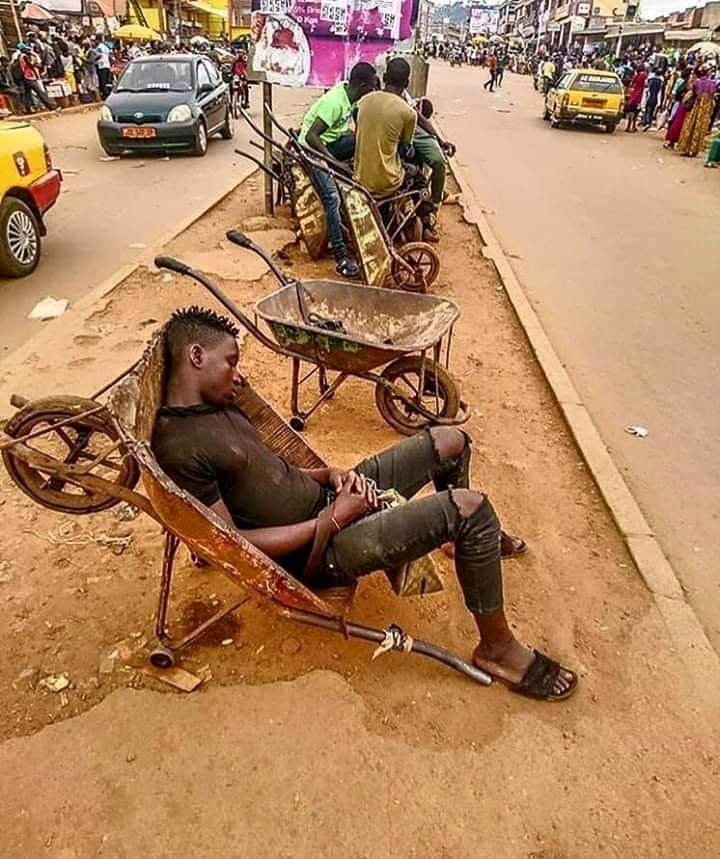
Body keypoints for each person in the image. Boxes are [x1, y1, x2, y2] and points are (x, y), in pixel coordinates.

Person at [151, 307, 578, 702]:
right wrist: (333, 519)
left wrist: (331, 475)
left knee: (451, 441)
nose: (237, 374)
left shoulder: (219, 407)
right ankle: (497, 648)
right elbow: (234, 543)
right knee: (471, 509)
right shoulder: (180, 448)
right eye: (231, 361)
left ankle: (462, 545)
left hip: (335, 501)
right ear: (195, 356)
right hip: (323, 550)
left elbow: (275, 471)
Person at [299, 61, 378, 278]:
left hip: (330, 141)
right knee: (332, 198)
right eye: (371, 87)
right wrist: (333, 162)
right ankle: (341, 258)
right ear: (362, 86)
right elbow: (311, 136)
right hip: (312, 150)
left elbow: (355, 120)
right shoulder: (334, 102)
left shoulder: (351, 97)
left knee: (360, 140)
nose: (372, 90)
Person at [354, 57, 416, 197]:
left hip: (360, 178)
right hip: (388, 183)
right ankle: (425, 216)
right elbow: (405, 148)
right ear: (406, 83)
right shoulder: (408, 113)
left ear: (384, 77)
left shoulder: (363, 101)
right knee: (415, 174)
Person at [405, 95, 454, 243]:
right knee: (418, 179)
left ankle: (426, 217)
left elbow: (419, 118)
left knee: (417, 176)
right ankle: (428, 217)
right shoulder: (403, 111)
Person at [677, 67, 718, 157]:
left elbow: (694, 93)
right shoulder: (712, 83)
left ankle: (688, 149)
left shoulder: (697, 82)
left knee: (691, 126)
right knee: (701, 128)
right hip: (705, 110)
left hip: (697, 107)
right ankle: (695, 150)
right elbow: (712, 95)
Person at [17, 44, 54, 112]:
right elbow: (31, 65)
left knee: (27, 94)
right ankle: (51, 106)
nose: (28, 50)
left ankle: (28, 109)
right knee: (39, 92)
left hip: (26, 77)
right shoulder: (24, 56)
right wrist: (34, 61)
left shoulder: (20, 57)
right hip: (29, 77)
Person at [664, 69, 694, 150]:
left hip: (683, 105)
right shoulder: (688, 85)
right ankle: (671, 141)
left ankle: (672, 141)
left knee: (676, 122)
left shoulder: (688, 84)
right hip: (684, 105)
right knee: (677, 123)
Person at [624, 62, 647, 132]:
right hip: (640, 96)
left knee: (631, 111)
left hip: (634, 95)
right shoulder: (645, 76)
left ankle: (628, 127)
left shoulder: (636, 76)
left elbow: (631, 84)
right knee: (636, 112)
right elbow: (646, 85)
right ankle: (633, 127)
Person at [94, 35, 112, 99]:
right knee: (107, 81)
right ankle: (108, 93)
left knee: (103, 81)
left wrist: (93, 59)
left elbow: (99, 56)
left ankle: (105, 95)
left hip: (101, 66)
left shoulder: (99, 48)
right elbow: (110, 55)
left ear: (98, 40)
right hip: (107, 65)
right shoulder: (105, 47)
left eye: (95, 40)